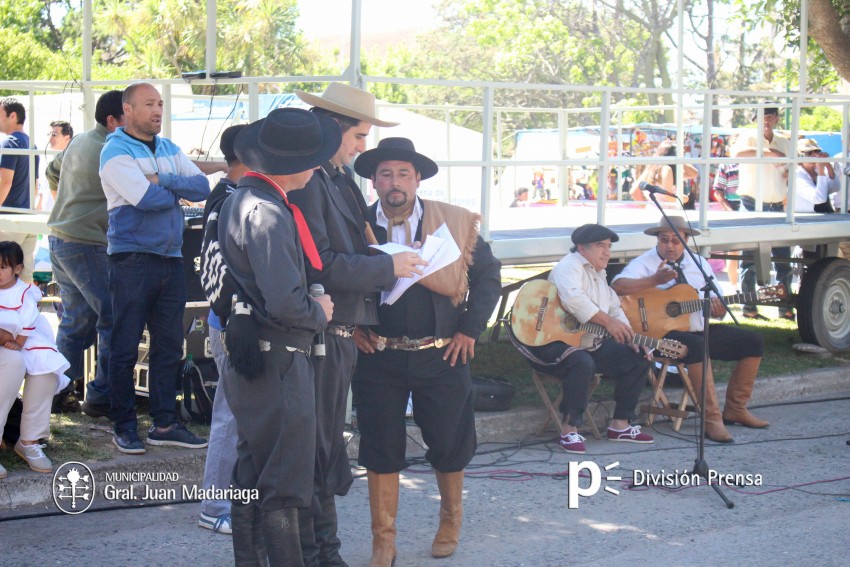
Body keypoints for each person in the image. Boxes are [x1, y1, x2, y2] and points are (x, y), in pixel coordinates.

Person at [288, 82, 425, 566]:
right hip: (323, 333)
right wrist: (388, 267)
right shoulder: (311, 180)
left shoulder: (337, 178)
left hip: (343, 332)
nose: (362, 147)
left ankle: (324, 551)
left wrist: (384, 259)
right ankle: (319, 554)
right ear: (333, 131)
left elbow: (347, 250)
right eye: (360, 136)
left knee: (326, 452)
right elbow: (320, 264)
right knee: (318, 452)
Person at [351, 137, 502, 566]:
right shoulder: (355, 223)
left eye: (402, 173)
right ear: (374, 181)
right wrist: (352, 326)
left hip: (443, 354)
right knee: (379, 446)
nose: (394, 182)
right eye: (385, 174)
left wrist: (470, 330)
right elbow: (334, 275)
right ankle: (384, 541)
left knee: (449, 441)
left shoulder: (449, 222)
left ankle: (450, 520)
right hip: (378, 354)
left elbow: (489, 276)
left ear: (417, 179)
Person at [218, 108, 337, 566]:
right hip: (281, 358)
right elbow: (287, 303)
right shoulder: (267, 211)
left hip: (260, 355)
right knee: (285, 486)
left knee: (254, 472)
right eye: (315, 156)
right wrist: (319, 311)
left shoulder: (245, 198)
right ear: (297, 162)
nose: (319, 165)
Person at [99, 82, 209, 454]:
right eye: (149, 104)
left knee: (168, 346)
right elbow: (145, 200)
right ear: (127, 110)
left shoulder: (167, 148)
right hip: (131, 260)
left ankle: (164, 423)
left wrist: (165, 180)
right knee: (125, 346)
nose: (158, 110)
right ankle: (124, 426)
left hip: (171, 259)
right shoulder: (114, 149)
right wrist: (173, 192)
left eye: (160, 103)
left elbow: (201, 187)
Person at [611, 216, 769, 443]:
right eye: (664, 240)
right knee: (695, 346)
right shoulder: (643, 263)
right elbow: (618, 287)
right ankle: (712, 420)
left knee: (752, 341)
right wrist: (653, 280)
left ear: (685, 240)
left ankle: (736, 408)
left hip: (697, 329)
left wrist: (717, 310)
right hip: (660, 336)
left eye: (676, 240)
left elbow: (718, 304)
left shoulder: (700, 264)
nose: (670, 246)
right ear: (657, 240)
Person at [521, 224, 655, 455]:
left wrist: (630, 336)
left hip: (582, 341)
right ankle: (569, 429)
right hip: (547, 340)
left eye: (609, 247)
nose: (607, 252)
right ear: (582, 248)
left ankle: (620, 425)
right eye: (600, 246)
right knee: (581, 362)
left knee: (638, 356)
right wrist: (608, 323)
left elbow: (614, 308)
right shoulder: (569, 267)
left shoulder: (598, 273)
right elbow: (575, 300)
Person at [45, 89, 125, 419]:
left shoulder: (78, 141)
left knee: (76, 320)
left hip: (60, 237)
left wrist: (68, 202)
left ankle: (57, 390)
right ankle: (100, 395)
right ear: (112, 121)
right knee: (112, 316)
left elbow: (52, 171)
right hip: (86, 243)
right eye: (130, 115)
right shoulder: (113, 149)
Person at [196, 124, 248, 536]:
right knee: (229, 416)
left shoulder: (225, 194)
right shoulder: (234, 200)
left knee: (233, 415)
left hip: (227, 322)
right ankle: (214, 505)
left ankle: (231, 500)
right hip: (231, 324)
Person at [0, 241, 71, 477]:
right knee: (13, 362)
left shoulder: (25, 291)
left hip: (25, 337)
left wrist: (17, 341)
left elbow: (28, 322)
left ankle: (29, 441)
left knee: (47, 366)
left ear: (18, 268)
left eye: (3, 267)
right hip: (5, 341)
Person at [731, 106, 794, 320]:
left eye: (769, 117)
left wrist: (784, 169)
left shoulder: (783, 141)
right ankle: (749, 307)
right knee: (749, 259)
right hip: (751, 203)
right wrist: (768, 153)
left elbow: (787, 167)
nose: (766, 121)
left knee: (783, 259)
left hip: (776, 205)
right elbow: (736, 154)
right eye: (761, 118)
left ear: (776, 118)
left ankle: (784, 307)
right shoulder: (748, 137)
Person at [0, 98, 39, 283]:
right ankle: (28, 312)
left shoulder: (9, 143)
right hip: (27, 218)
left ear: (13, 115)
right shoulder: (32, 145)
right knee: (24, 276)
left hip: (8, 220)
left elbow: (4, 181)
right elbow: (35, 184)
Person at [631, 139, 698, 202]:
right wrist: (687, 199)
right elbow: (668, 197)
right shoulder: (667, 169)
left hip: (655, 210)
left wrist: (645, 207)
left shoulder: (651, 168)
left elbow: (694, 173)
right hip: (666, 211)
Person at [794, 138, 839, 213]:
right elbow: (818, 199)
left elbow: (835, 188)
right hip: (809, 220)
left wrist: (828, 166)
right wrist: (821, 169)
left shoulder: (817, 171)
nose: (815, 155)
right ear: (800, 156)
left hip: (824, 218)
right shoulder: (798, 175)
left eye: (817, 151)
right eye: (809, 153)